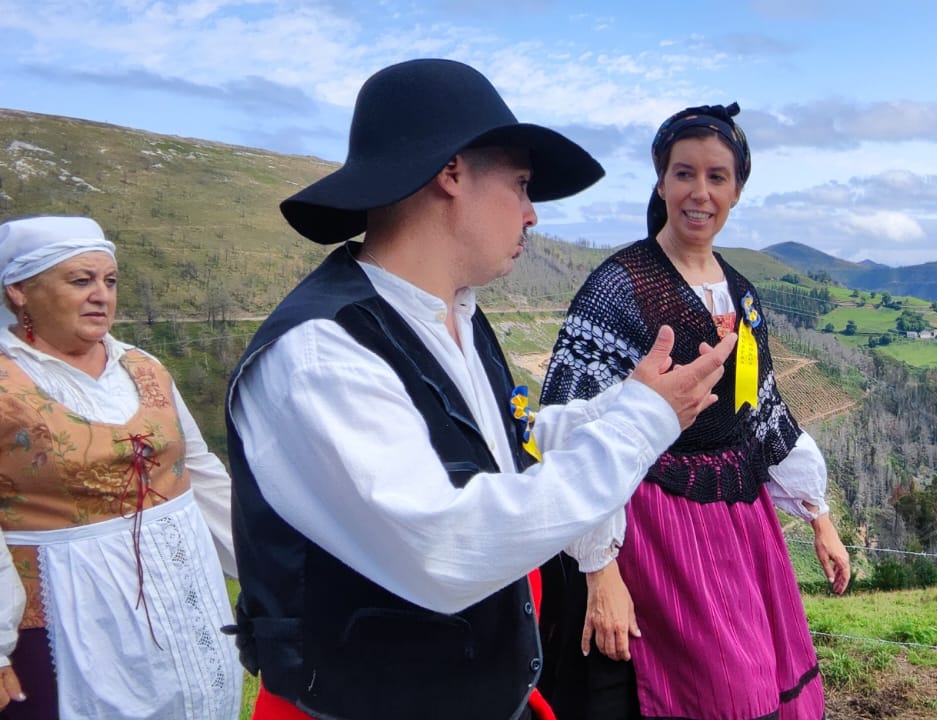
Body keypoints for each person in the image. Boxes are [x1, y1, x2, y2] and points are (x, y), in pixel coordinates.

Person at [225, 58, 734, 720]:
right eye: (521, 185)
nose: (531, 215)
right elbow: (446, 546)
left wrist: (632, 402)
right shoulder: (321, 356)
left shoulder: (451, 315)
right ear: (451, 171)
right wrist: (639, 422)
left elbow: (507, 450)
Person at [537, 103, 850, 720]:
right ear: (661, 182)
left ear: (737, 190)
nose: (698, 193)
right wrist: (601, 572)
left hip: (739, 524)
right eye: (684, 174)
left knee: (757, 681)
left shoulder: (741, 293)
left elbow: (760, 410)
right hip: (651, 522)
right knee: (704, 690)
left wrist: (820, 517)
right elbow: (571, 427)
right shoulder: (619, 286)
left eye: (716, 177)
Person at [0, 215, 242, 719]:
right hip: (75, 613)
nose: (101, 296)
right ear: (19, 290)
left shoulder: (143, 366)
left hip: (184, 590)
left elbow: (198, 471)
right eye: (80, 280)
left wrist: (264, 567)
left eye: (109, 281)